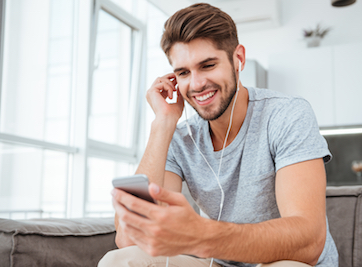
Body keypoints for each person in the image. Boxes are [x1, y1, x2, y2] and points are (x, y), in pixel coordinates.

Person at [98, 3, 338, 267]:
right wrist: (163, 123)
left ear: (239, 59)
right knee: (120, 261)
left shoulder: (287, 115)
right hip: (219, 264)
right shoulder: (180, 139)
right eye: (183, 72)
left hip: (288, 262)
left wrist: (199, 236)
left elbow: (309, 243)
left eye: (208, 65)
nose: (197, 83)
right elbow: (129, 238)